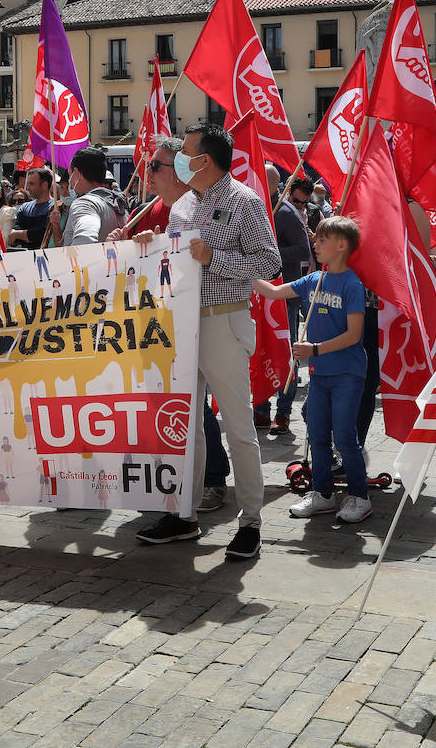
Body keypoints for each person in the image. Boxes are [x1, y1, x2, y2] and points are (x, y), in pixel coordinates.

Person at [134, 123, 281, 560]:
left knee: (238, 428)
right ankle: (184, 514)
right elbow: (176, 258)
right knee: (186, 426)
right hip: (183, 325)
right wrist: (153, 245)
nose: (180, 156)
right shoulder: (182, 206)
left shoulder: (244, 201)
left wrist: (215, 257)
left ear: (206, 160)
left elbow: (269, 262)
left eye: (187, 151)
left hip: (223, 321)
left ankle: (251, 522)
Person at [255, 216, 370, 523]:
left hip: (347, 373)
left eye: (321, 240)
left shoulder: (352, 284)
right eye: (316, 240)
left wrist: (314, 349)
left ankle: (359, 497)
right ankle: (323, 495)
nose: (315, 245)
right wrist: (239, 267)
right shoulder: (313, 279)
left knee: (345, 437)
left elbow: (354, 335)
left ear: (341, 245)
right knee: (316, 434)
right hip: (320, 374)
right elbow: (273, 292)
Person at [256, 176, 315, 433]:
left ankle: (283, 412)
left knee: (285, 354)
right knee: (259, 350)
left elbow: (304, 250)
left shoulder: (287, 212)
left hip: (285, 295)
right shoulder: (257, 208)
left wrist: (271, 251)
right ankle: (260, 409)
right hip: (259, 294)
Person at [61, 147, 124, 245]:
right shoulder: (118, 203)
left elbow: (85, 242)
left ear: (76, 173)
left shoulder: (85, 204)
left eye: (70, 174)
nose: (70, 181)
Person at [8, 168, 55, 250]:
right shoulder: (24, 207)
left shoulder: (55, 206)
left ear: (44, 185)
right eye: (28, 183)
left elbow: (42, 234)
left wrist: (18, 234)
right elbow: (15, 233)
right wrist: (26, 236)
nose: (27, 188)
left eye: (32, 184)